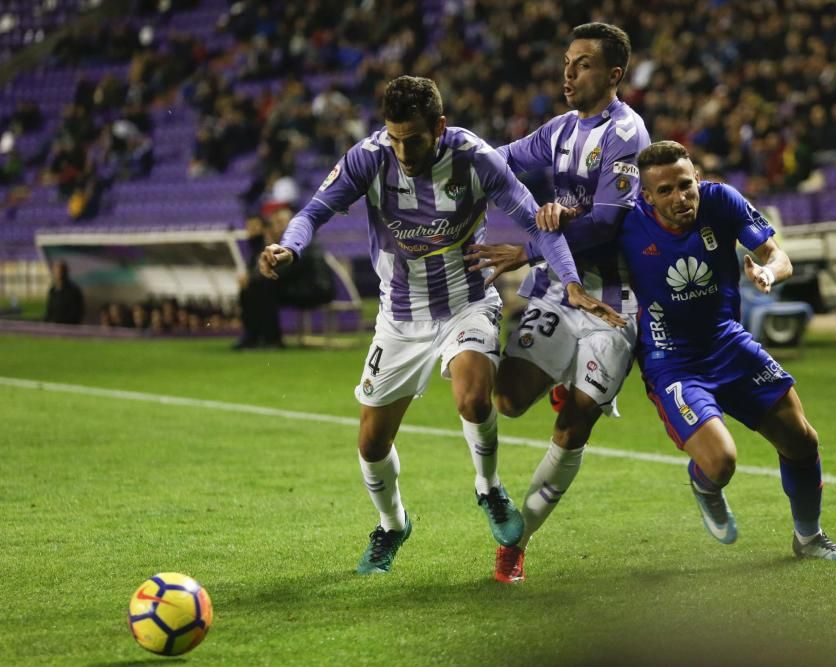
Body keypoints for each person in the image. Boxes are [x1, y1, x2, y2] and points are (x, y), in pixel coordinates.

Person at [258, 75, 621, 575]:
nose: (403, 150)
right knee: (371, 442)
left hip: (466, 303)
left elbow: (537, 220)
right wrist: (289, 246)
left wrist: (571, 280)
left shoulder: (474, 158)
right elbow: (314, 211)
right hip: (399, 317)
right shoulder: (369, 156)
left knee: (474, 397)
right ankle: (392, 525)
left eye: (415, 138)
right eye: (395, 137)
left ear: (440, 127)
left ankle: (489, 489)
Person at [463, 22, 650, 584]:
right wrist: (439, 166)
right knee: (508, 398)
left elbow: (605, 223)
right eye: (567, 62)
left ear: (613, 75)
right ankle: (560, 378)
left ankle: (517, 541)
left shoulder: (627, 135)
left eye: (583, 64)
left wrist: (528, 246)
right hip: (555, 287)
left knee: (573, 429)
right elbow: (494, 163)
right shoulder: (560, 130)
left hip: (611, 301)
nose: (569, 74)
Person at [619, 140, 836, 561]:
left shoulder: (722, 201)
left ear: (697, 178)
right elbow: (568, 241)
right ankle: (704, 483)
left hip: (728, 342)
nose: (680, 198)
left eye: (685, 185)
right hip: (671, 360)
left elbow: (776, 254)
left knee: (801, 440)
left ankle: (809, 538)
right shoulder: (624, 225)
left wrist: (768, 271)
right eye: (665, 191)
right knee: (721, 461)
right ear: (646, 196)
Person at [234, 208, 335, 349]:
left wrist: (252, 278)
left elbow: (283, 271)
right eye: (275, 223)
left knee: (265, 288)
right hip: (299, 287)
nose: (278, 226)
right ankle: (252, 336)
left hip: (316, 290)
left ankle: (271, 339)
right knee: (253, 289)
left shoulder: (301, 242)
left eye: (282, 222)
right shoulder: (281, 244)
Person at [43, 260, 84, 325]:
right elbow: (49, 311)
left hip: (68, 328)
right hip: (53, 327)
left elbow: (77, 312)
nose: (58, 273)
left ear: (65, 272)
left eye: (60, 271)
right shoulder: (53, 290)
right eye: (56, 271)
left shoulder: (73, 290)